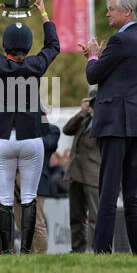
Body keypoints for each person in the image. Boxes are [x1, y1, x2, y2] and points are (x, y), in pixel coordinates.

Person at [0, 0, 60, 254]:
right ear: (27, 46)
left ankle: (6, 249)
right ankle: (25, 251)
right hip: (31, 139)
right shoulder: (35, 65)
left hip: (3, 139)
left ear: (7, 45)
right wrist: (43, 13)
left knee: (4, 198)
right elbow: (53, 46)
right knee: (30, 198)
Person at [79, 0, 137, 256]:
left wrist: (92, 55)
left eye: (111, 8)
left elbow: (93, 75)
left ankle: (101, 250)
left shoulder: (119, 40)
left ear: (127, 12)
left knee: (108, 191)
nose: (107, 13)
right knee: (133, 193)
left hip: (116, 124)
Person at [13, 123, 60, 253]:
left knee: (36, 222)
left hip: (37, 180)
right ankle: (27, 253)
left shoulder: (52, 130)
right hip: (15, 179)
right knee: (20, 222)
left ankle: (40, 254)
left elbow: (46, 144)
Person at [62, 95, 100, 252]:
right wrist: (82, 112)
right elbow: (67, 129)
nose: (92, 106)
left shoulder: (104, 120)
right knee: (76, 217)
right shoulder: (84, 120)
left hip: (93, 175)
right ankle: (77, 249)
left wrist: (99, 114)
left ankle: (96, 249)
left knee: (94, 217)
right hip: (75, 174)